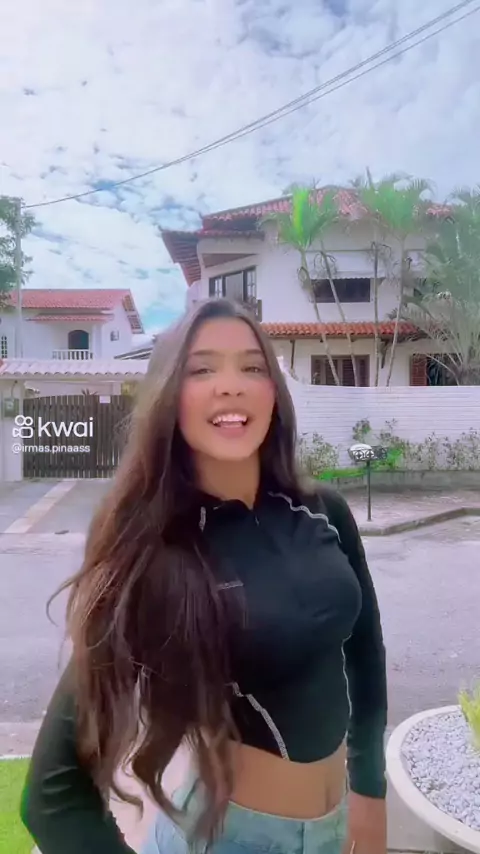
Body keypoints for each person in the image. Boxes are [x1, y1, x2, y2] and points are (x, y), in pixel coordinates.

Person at [20, 297, 388, 854]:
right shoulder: (156, 553)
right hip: (229, 837)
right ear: (169, 397)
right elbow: (53, 794)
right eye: (202, 369)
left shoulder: (324, 512)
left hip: (334, 831)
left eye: (252, 367)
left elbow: (364, 655)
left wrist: (369, 793)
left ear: (274, 392)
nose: (231, 386)